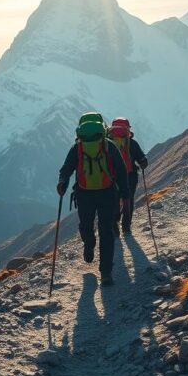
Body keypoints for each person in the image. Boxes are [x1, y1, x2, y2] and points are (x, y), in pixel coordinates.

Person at [56, 113, 127, 286]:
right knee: (106, 231)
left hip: (84, 193)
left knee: (85, 225)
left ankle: (89, 244)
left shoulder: (77, 148)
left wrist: (62, 183)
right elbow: (121, 170)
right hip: (107, 193)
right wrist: (124, 193)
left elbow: (66, 169)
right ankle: (106, 273)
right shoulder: (108, 146)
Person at [108, 118, 148, 234]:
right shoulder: (132, 143)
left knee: (114, 200)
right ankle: (126, 227)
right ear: (127, 129)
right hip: (129, 176)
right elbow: (141, 158)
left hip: (112, 177)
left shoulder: (107, 143)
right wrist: (143, 162)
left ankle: (114, 224)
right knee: (128, 200)